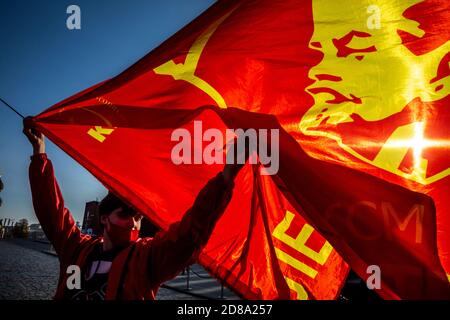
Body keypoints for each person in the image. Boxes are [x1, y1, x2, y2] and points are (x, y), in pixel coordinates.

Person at [23, 117, 246, 300]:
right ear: (103, 218)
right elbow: (51, 210)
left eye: (138, 217)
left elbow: (189, 234)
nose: (133, 223)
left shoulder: (146, 258)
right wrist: (39, 153)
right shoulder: (78, 249)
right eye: (125, 215)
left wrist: (225, 178)